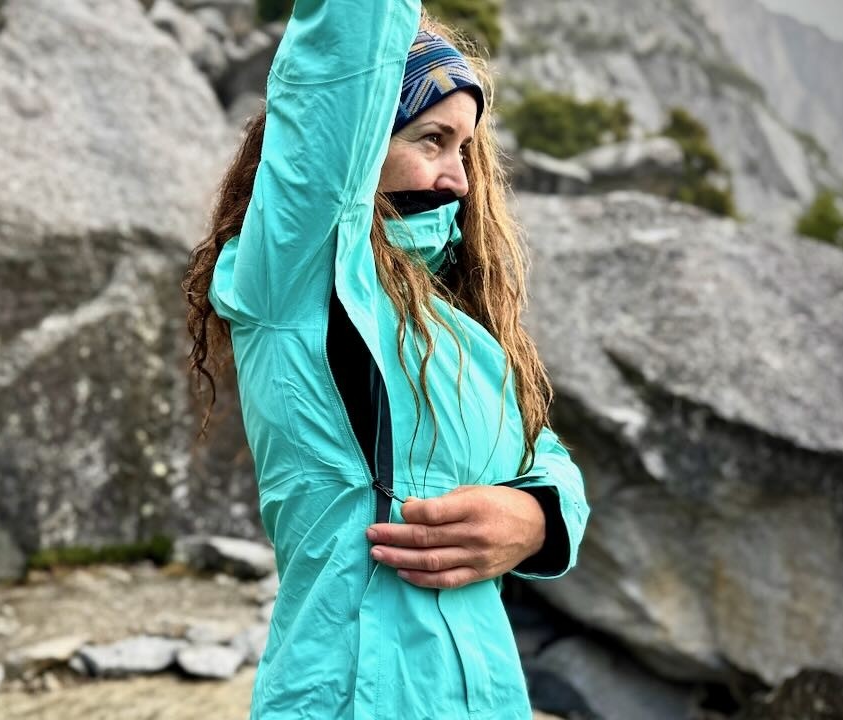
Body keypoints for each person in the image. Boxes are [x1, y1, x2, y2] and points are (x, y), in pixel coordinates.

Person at [182, 1, 590, 717]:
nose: (460, 180)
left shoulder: (462, 327)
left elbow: (546, 455)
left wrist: (536, 517)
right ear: (364, 137)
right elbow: (340, 63)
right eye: (433, 140)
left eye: (465, 149)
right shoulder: (296, 276)